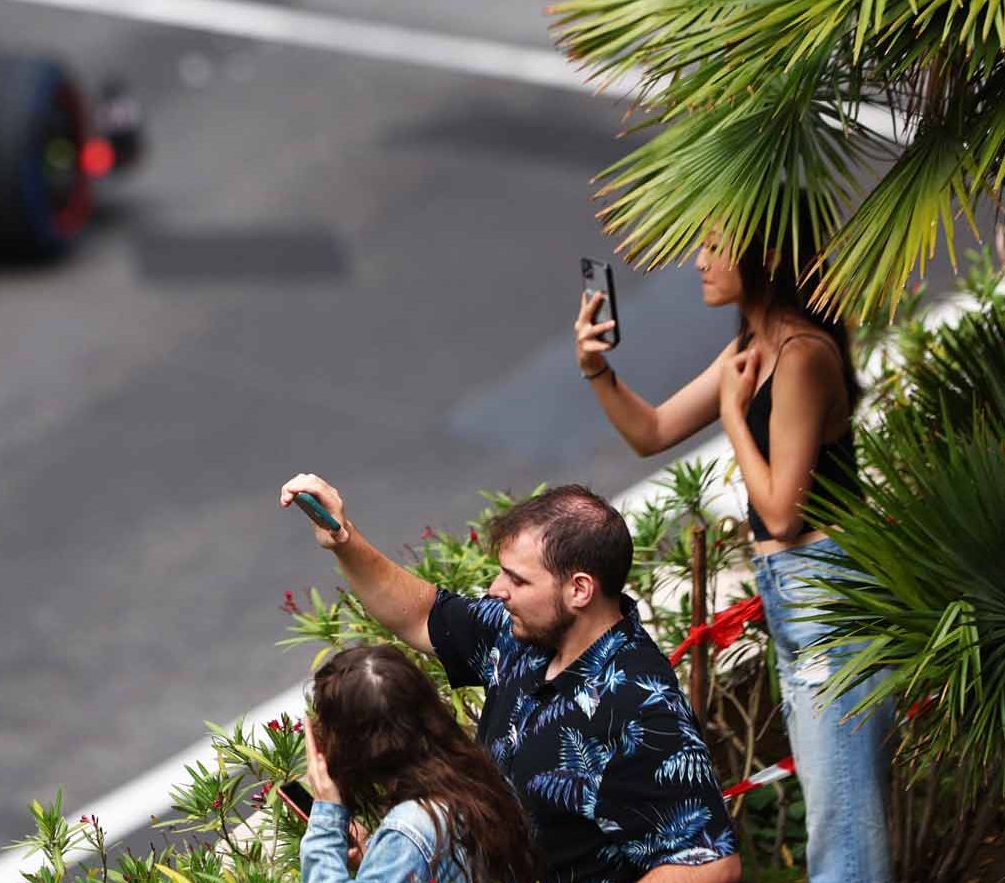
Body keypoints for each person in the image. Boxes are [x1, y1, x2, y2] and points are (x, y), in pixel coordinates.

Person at [574, 234, 893, 883]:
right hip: (796, 598)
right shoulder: (752, 348)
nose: (700, 261)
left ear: (765, 256)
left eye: (717, 245)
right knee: (838, 824)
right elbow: (652, 432)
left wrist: (731, 413)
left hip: (829, 596)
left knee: (847, 841)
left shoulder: (802, 355)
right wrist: (596, 369)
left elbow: (780, 511)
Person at [279, 476, 743, 883]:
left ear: (578, 589)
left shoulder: (639, 705)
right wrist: (344, 538)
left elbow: (708, 863)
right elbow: (422, 614)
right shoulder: (520, 634)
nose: (496, 590)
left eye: (517, 580)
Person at [300, 644, 538, 883]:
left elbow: (419, 838)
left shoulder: (410, 828)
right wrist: (378, 854)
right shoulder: (483, 779)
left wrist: (326, 816)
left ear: (352, 746)